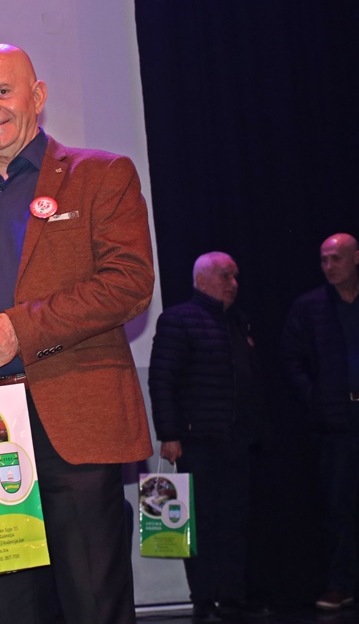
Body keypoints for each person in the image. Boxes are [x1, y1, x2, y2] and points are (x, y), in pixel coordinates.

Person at [0, 43, 154, 624]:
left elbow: (129, 283)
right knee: (7, 609)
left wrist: (21, 329)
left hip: (72, 420)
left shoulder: (100, 175)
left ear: (39, 96)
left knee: (92, 602)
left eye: (2, 92)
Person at [148, 252, 268, 621]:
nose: (234, 284)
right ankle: (202, 600)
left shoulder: (237, 321)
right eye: (226, 276)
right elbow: (162, 380)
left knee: (234, 521)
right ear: (202, 281)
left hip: (236, 439)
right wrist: (169, 434)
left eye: (235, 277)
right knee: (198, 521)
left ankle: (231, 597)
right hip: (196, 441)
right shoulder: (178, 319)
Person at [282, 233, 359, 612]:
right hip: (336, 422)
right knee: (338, 507)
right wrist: (316, 399)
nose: (329, 266)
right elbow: (291, 359)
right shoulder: (309, 307)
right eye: (324, 260)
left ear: (356, 258)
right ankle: (339, 583)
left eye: (336, 258)